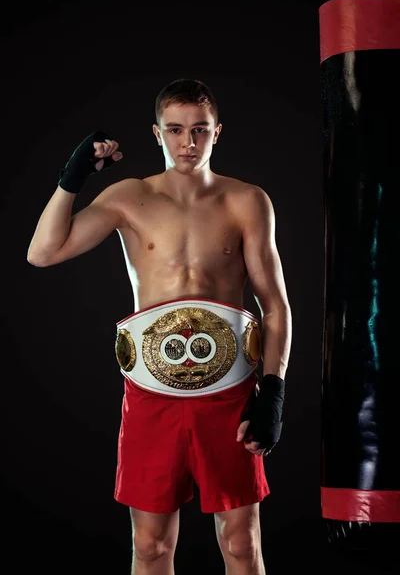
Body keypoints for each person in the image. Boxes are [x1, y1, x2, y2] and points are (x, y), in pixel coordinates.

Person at [27, 78, 292, 575]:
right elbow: (42, 253)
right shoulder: (129, 197)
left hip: (229, 392)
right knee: (149, 547)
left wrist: (274, 389)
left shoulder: (248, 201)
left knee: (240, 543)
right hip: (151, 392)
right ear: (157, 133)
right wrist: (72, 177)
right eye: (175, 130)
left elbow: (275, 304)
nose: (187, 142)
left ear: (218, 133)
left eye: (199, 130)